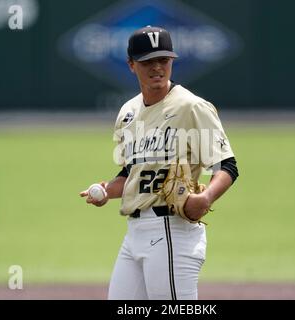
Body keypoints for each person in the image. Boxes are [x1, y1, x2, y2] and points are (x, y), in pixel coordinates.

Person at [80, 26, 239, 300]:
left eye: (163, 60)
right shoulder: (128, 113)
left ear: (172, 62)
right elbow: (131, 173)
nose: (157, 68)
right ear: (131, 65)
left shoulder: (191, 107)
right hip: (134, 233)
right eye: (147, 62)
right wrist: (107, 191)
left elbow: (227, 165)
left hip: (172, 230)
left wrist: (208, 197)